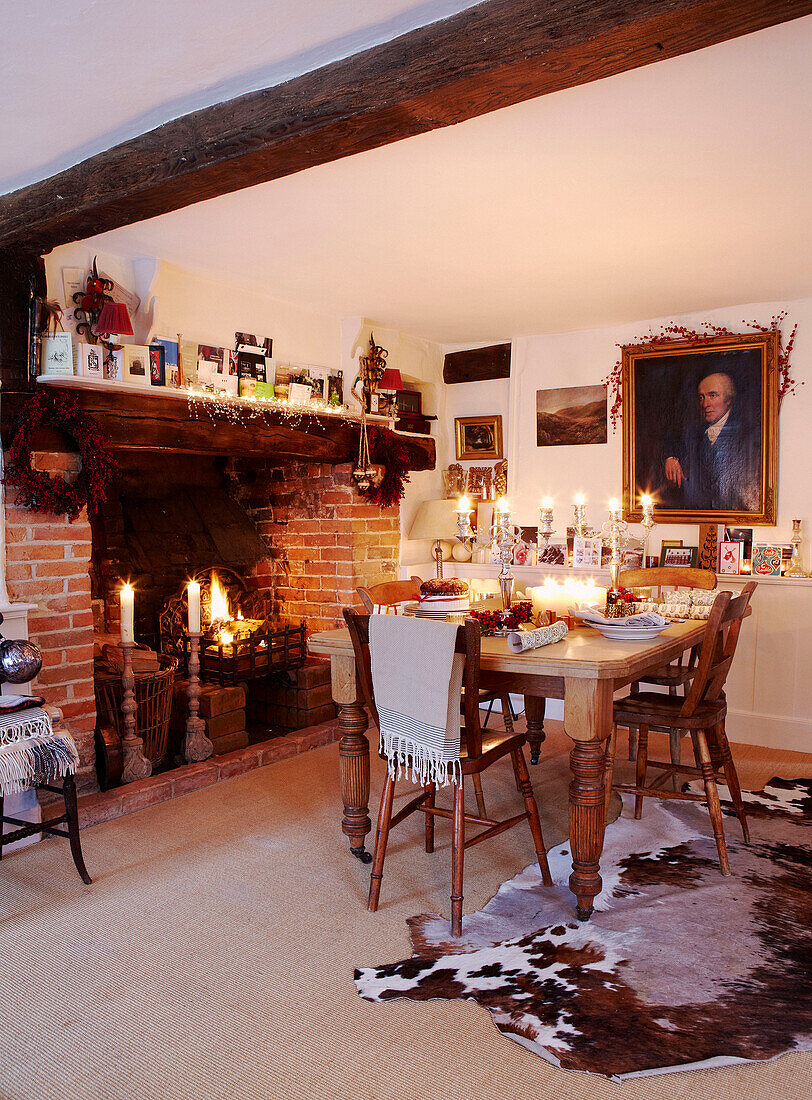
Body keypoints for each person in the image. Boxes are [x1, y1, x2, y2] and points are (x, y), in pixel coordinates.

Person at [662, 371, 760, 511]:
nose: (705, 404)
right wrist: (670, 458)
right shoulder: (693, 433)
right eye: (701, 397)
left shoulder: (749, 434)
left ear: (728, 399)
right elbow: (672, 442)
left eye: (713, 395)